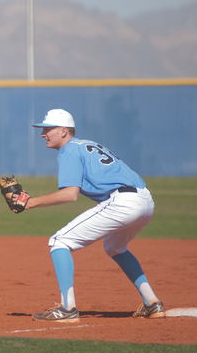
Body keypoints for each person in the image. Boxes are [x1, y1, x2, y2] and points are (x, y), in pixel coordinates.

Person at [25, 109, 164, 322]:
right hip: (145, 200)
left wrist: (29, 202)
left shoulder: (69, 150)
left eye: (47, 129)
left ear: (63, 131)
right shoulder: (88, 145)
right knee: (114, 247)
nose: (43, 133)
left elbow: (70, 194)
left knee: (59, 241)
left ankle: (67, 308)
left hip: (123, 202)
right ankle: (152, 303)